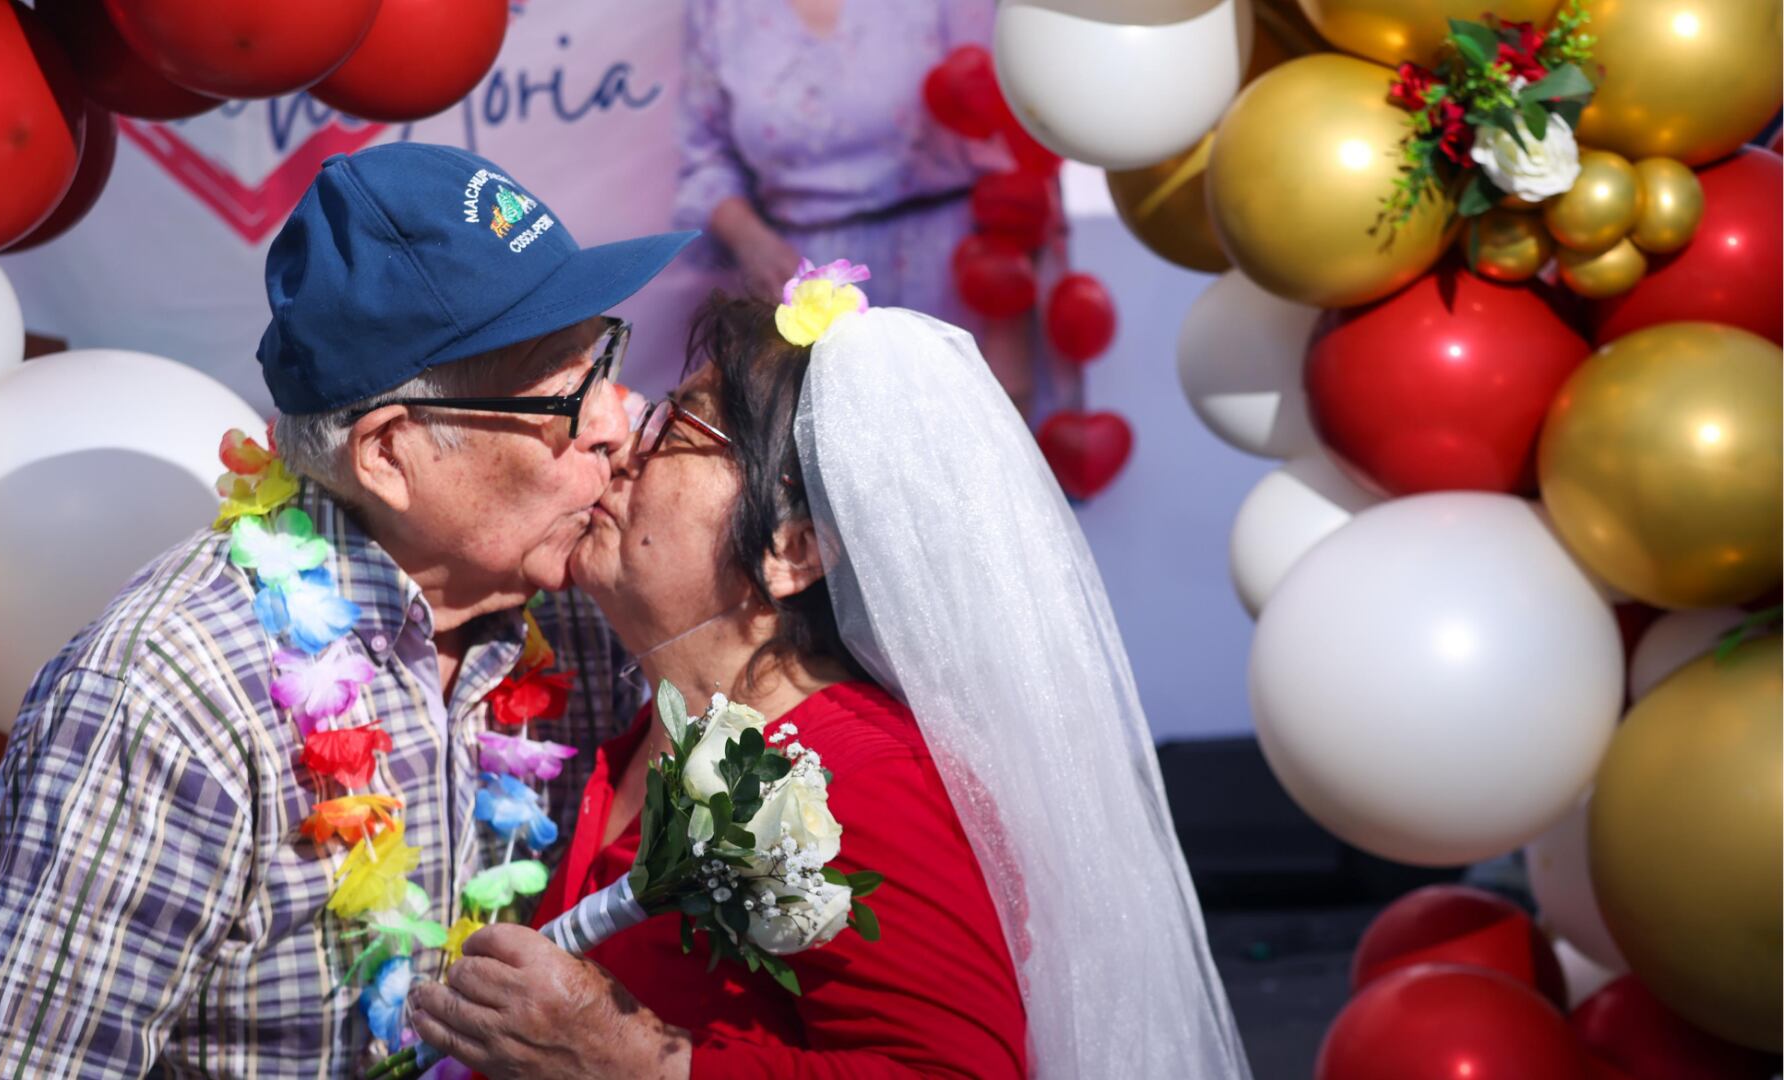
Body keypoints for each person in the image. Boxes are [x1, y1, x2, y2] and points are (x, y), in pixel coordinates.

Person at [0, 143, 694, 1078]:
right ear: (389, 454)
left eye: (604, 351)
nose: (616, 418)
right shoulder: (171, 699)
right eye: (562, 383)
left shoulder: (587, 610)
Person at [408, 271, 1252, 1077]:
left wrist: (630, 1064)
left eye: (680, 426)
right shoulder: (636, 732)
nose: (626, 441)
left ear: (794, 549)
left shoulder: (863, 781)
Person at [675, 0, 1073, 417]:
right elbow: (705, 161)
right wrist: (749, 239)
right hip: (807, 298)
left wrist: (1009, 338)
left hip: (953, 283)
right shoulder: (716, 9)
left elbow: (1007, 148)